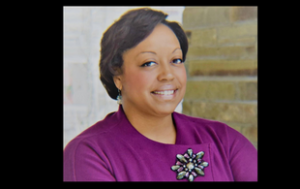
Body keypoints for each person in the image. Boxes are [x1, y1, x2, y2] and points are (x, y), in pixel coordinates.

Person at [63, 8, 257, 182]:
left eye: (176, 60)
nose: (168, 75)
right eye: (149, 63)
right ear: (117, 76)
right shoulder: (90, 153)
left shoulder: (224, 140)